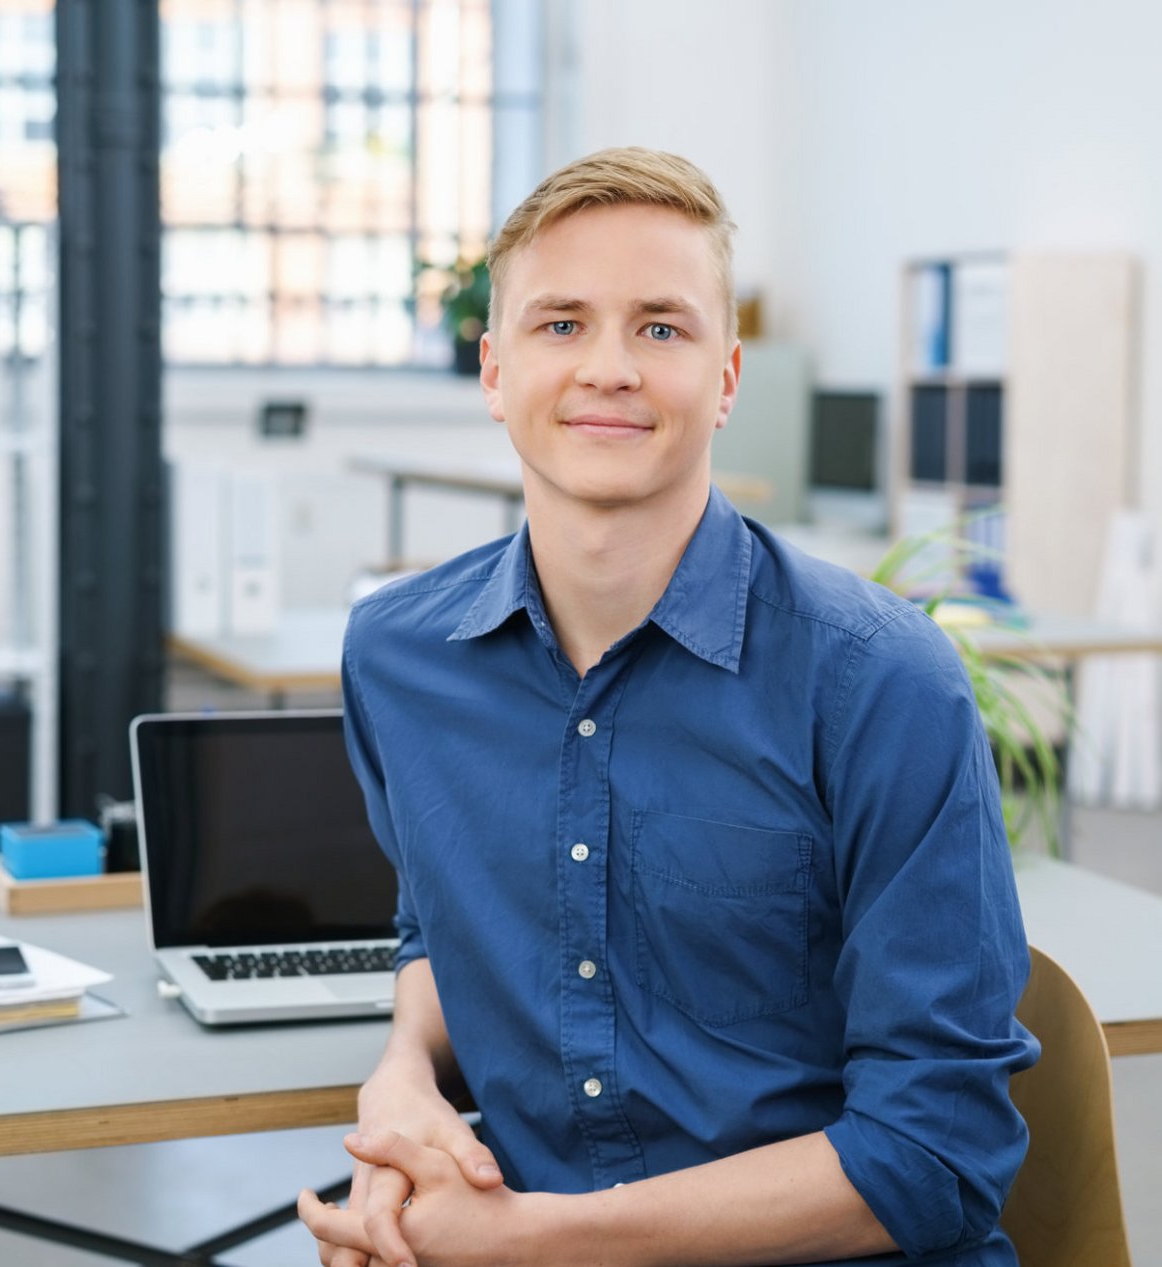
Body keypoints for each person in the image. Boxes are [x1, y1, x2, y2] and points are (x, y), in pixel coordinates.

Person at [299, 147, 1037, 1267]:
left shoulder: (882, 681)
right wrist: (405, 1069)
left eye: (660, 327)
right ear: (493, 371)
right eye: (560, 325)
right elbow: (433, 918)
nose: (609, 367)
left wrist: (528, 1242)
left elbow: (936, 1154)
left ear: (727, 377)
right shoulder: (397, 656)